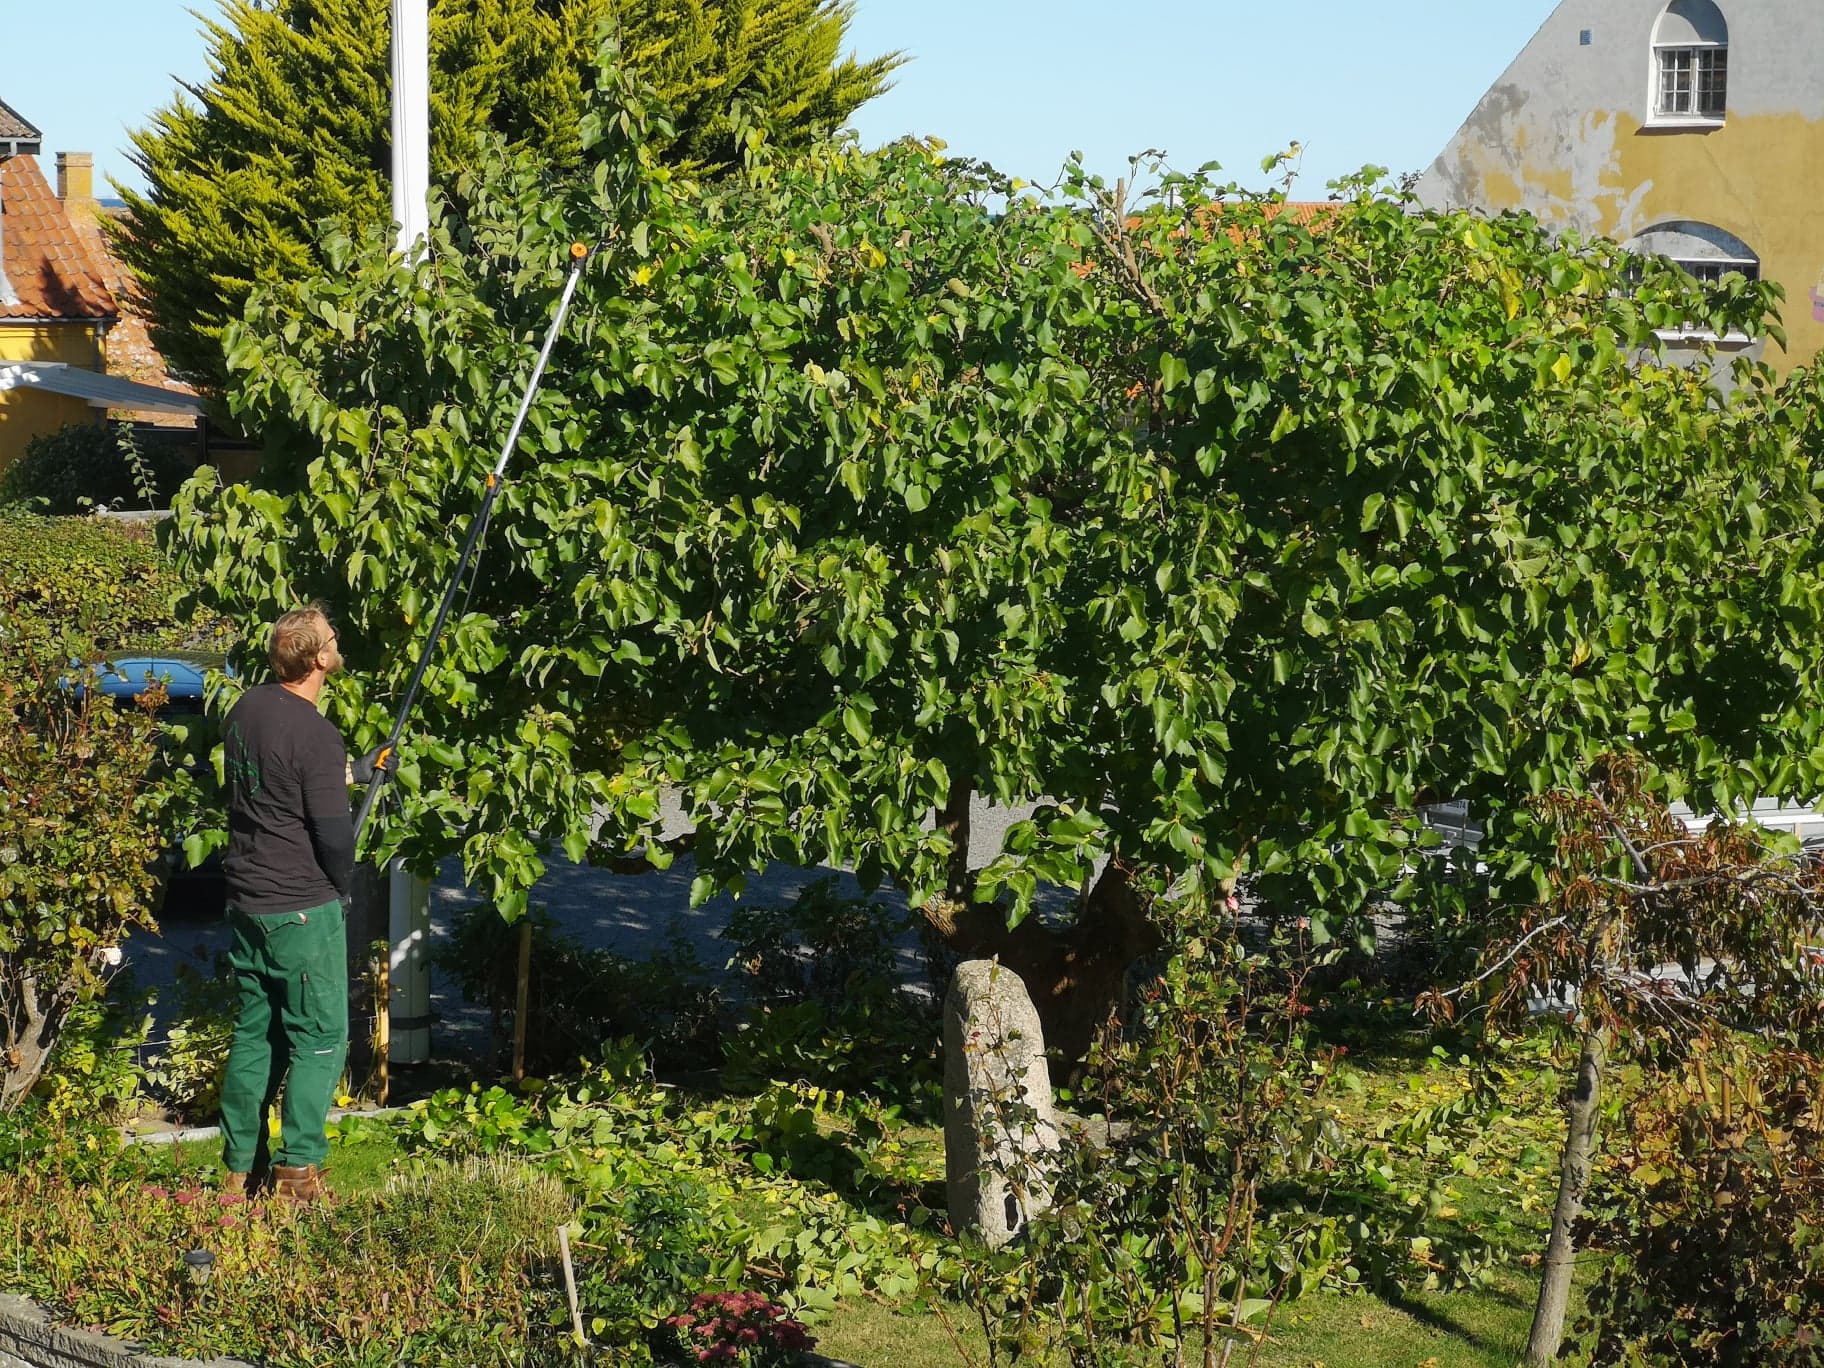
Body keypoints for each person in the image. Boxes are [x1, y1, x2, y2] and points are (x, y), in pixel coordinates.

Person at [217, 606, 355, 1201]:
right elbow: (333, 838)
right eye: (332, 638)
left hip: (247, 900)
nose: (336, 642)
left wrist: (347, 776)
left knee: (256, 1035)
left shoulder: (245, 709)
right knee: (320, 1037)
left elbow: (274, 788)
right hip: (299, 906)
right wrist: (341, 885)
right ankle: (299, 1174)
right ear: (319, 658)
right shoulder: (317, 734)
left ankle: (237, 1172)